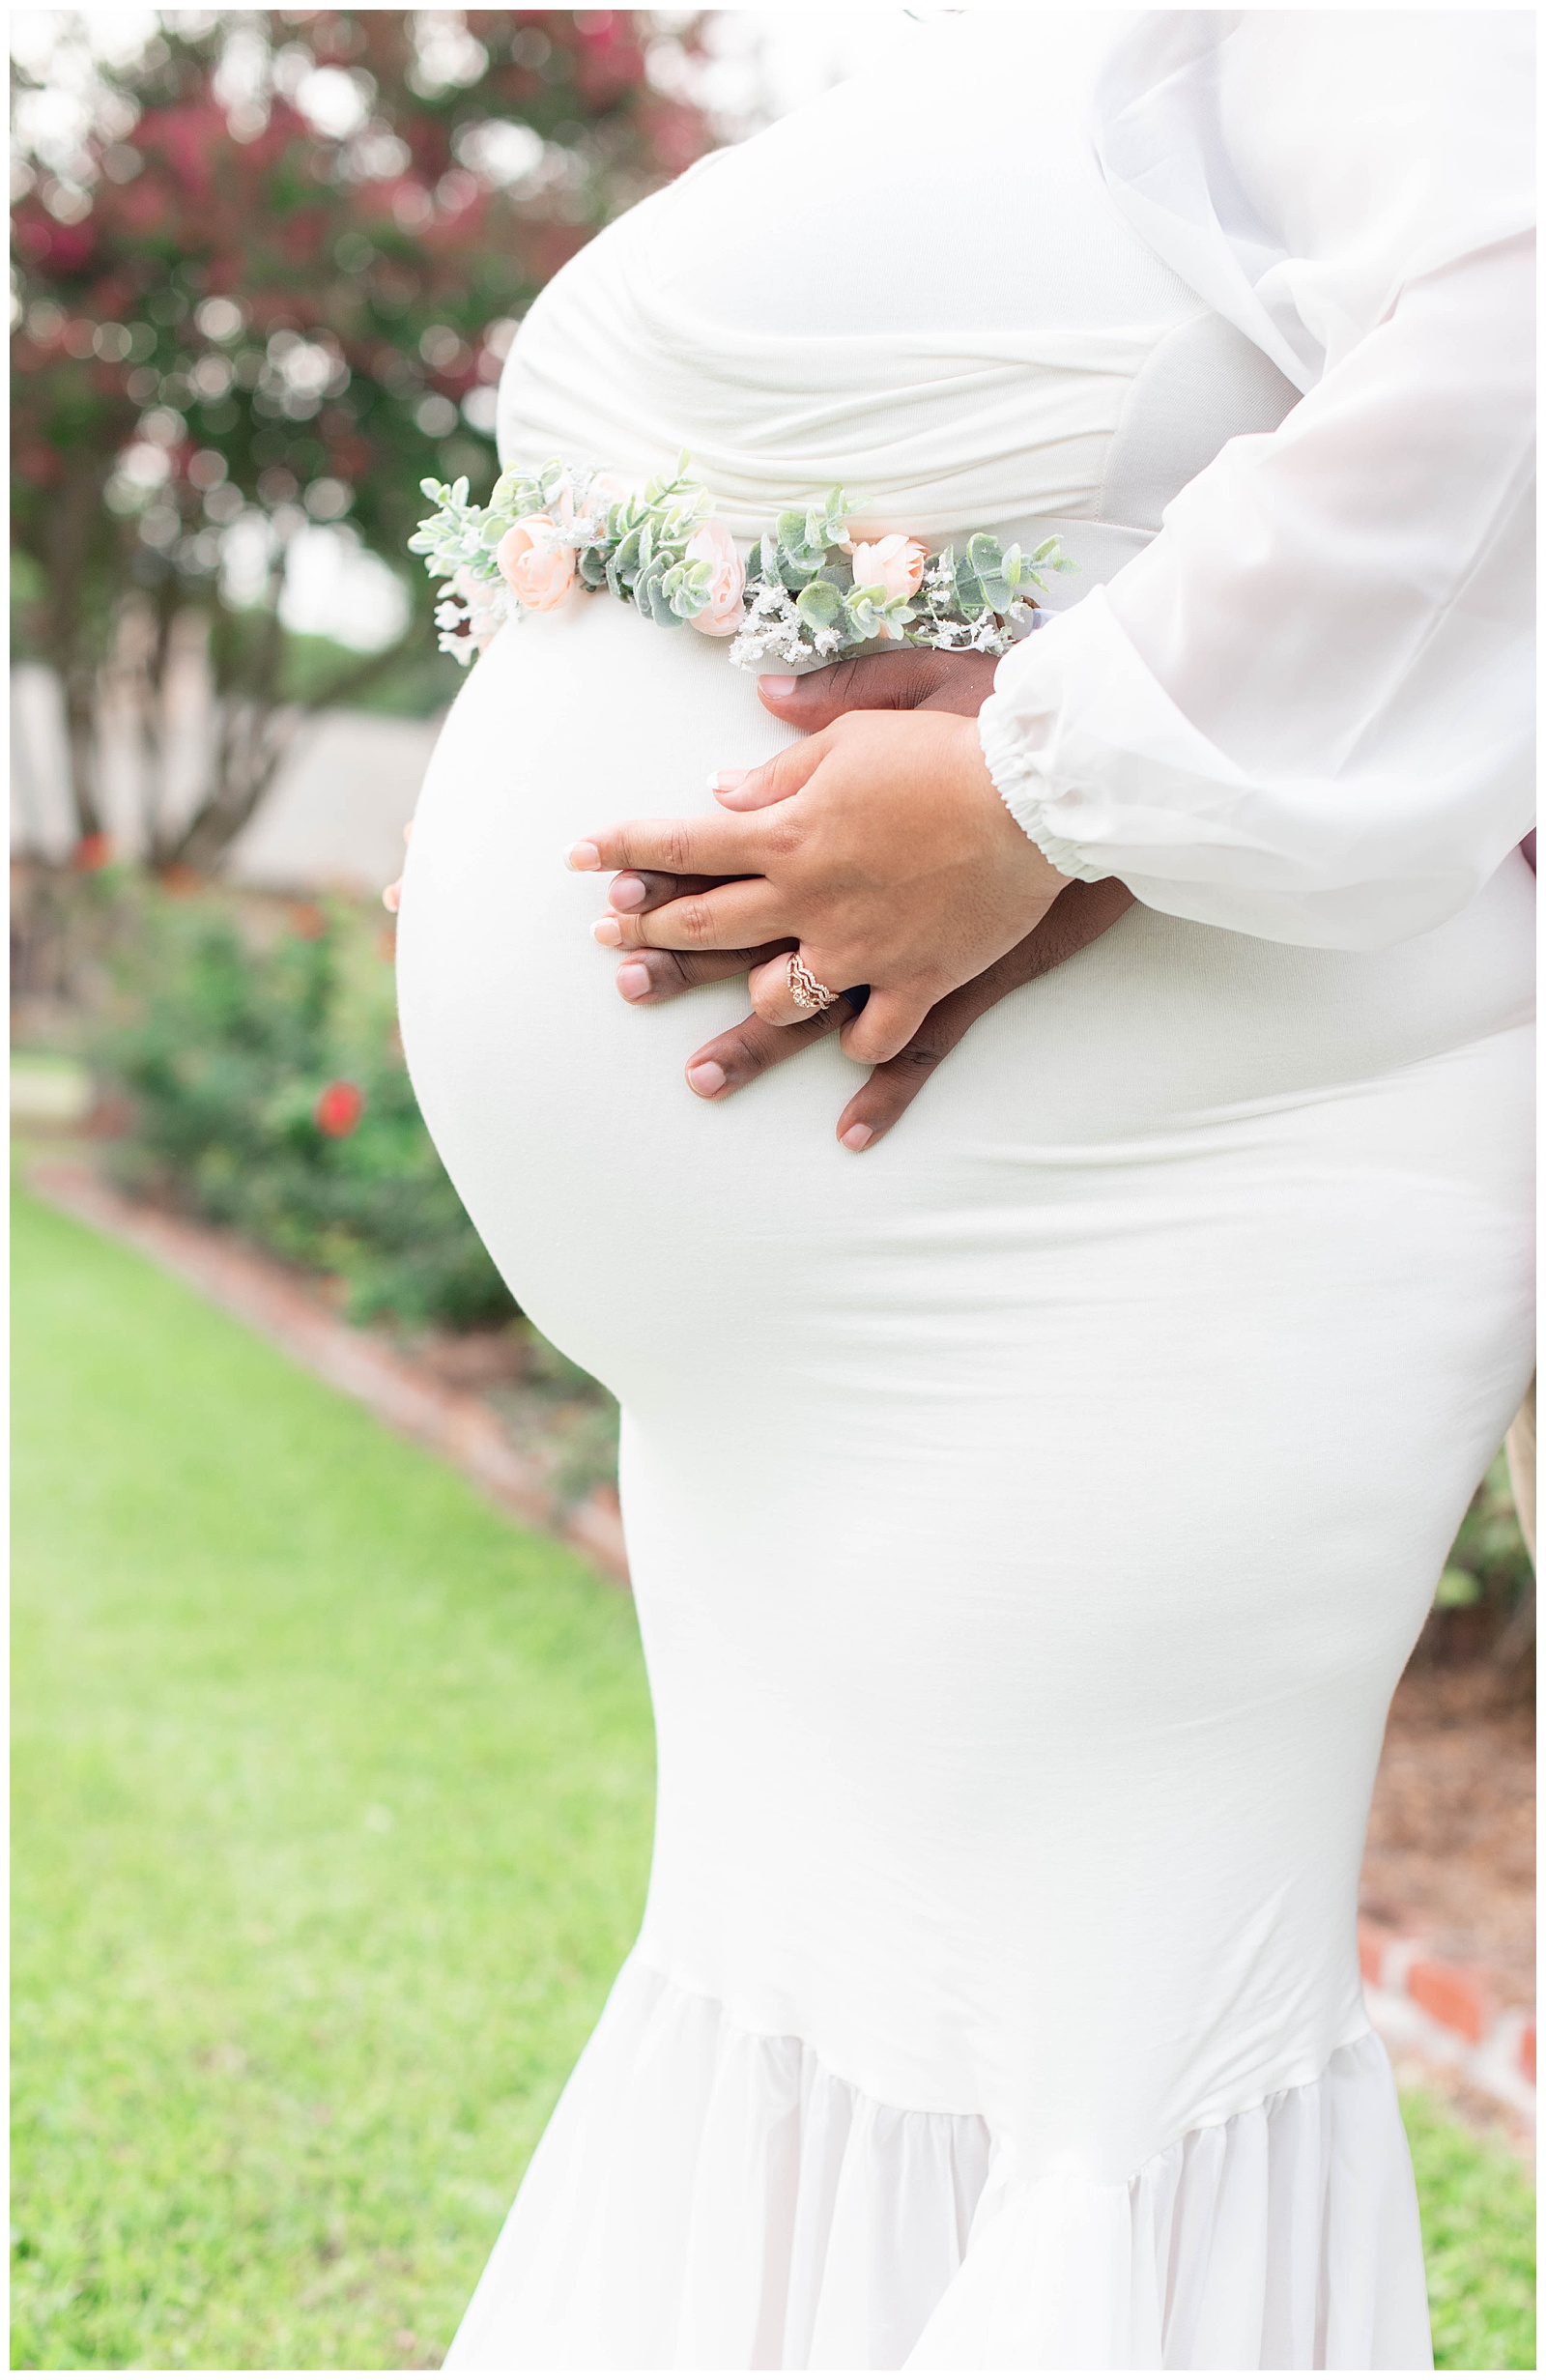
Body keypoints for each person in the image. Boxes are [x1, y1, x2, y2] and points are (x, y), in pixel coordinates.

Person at [393, 13, 1533, 2367]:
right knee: (832, 1996)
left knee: (1089, 2057)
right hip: (855, 1332)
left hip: (1166, 1219)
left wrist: (1040, 786)